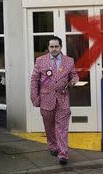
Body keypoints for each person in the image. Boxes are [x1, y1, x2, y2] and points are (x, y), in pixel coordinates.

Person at [30, 36, 79, 165]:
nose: (54, 49)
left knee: (62, 128)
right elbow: (34, 80)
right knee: (49, 127)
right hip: (46, 99)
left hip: (63, 99)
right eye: (51, 47)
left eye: (56, 46)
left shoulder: (69, 61)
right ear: (48, 48)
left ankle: (63, 154)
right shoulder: (40, 61)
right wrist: (34, 98)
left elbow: (74, 75)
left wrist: (73, 81)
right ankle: (52, 146)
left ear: (61, 47)